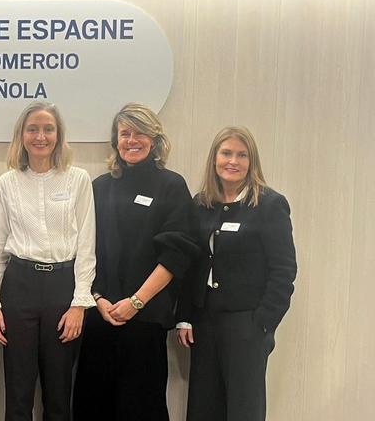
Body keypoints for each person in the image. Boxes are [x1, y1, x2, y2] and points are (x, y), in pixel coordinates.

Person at [72, 103, 198, 420]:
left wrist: (136, 302)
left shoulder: (171, 186)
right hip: (100, 316)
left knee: (141, 407)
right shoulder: (99, 187)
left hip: (145, 319)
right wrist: (98, 298)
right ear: (115, 141)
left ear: (154, 139)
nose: (132, 140)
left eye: (140, 133)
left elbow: (176, 255)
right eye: (125, 133)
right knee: (93, 405)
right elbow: (85, 249)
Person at [176, 126, 297, 421]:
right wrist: (186, 316)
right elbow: (192, 264)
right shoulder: (201, 203)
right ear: (214, 159)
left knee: (244, 409)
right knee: (204, 408)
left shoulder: (269, 205)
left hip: (247, 324)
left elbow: (283, 270)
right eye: (226, 153)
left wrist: (264, 323)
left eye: (242, 155)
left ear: (251, 161)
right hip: (204, 323)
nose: (233, 161)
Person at [0, 101, 96, 421]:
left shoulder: (78, 179)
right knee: (18, 392)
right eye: (32, 129)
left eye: (48, 129)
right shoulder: (7, 182)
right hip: (19, 286)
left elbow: (87, 245)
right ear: (21, 135)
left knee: (58, 393)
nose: (40, 136)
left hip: (62, 288)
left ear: (58, 135)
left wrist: (79, 303)